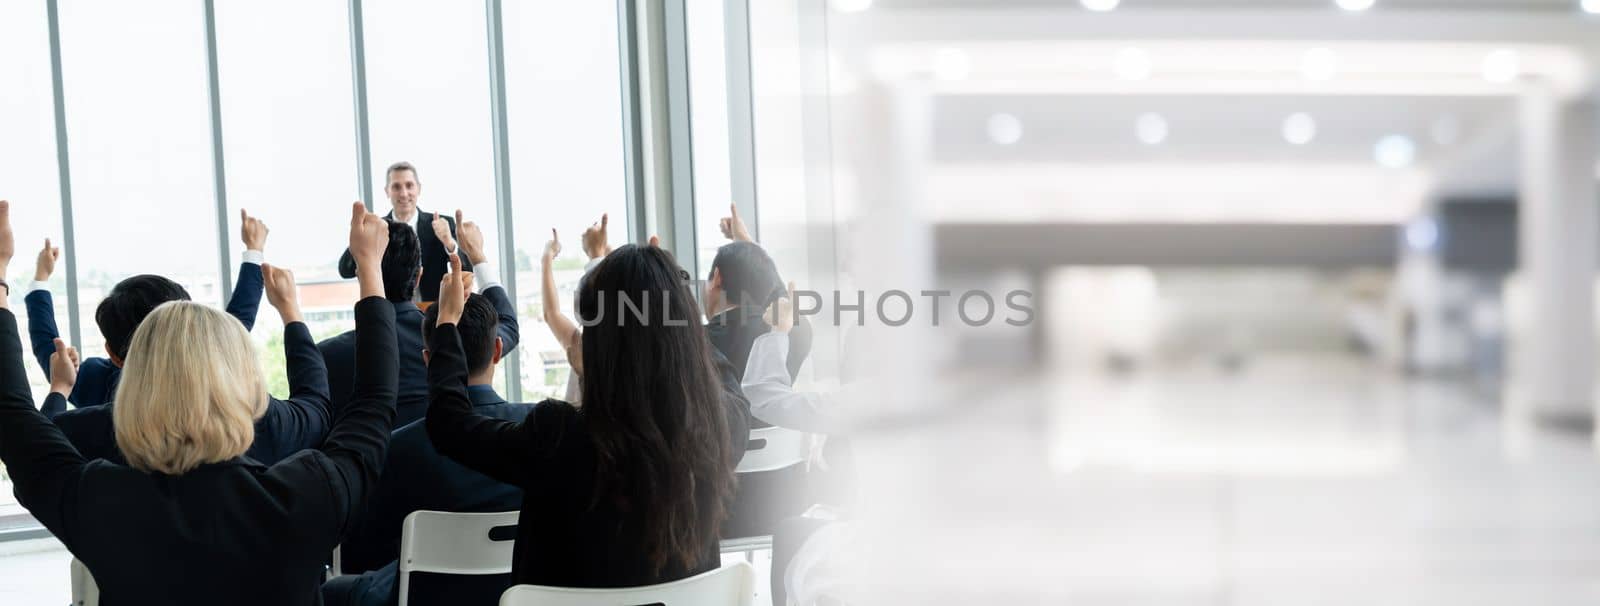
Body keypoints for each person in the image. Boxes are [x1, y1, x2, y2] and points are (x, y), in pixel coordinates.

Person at [0, 200, 399, 605]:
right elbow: (374, 402)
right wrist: (369, 268)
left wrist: (2, 273)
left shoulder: (99, 499)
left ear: (132, 375)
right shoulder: (310, 491)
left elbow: (14, 414)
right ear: (241, 378)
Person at [424, 243, 741, 588]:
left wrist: (447, 325)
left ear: (602, 344)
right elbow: (716, 376)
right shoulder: (720, 425)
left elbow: (449, 423)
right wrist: (671, 301)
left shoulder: (558, 438)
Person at [324, 293, 527, 606]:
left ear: (427, 359)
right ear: (498, 350)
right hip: (519, 592)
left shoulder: (399, 448)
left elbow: (362, 551)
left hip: (424, 596)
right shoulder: (540, 430)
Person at [44, 255, 334, 466]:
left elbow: (34, 451)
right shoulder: (261, 421)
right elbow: (317, 408)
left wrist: (60, 386)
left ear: (114, 354)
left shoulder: (106, 429)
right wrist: (290, 311)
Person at [25, 209, 269, 412]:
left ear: (113, 353)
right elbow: (239, 319)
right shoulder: (212, 369)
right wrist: (254, 250)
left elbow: (48, 347)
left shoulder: (98, 383)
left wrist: (41, 278)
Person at [320, 210, 516, 426]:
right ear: (418, 276)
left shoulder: (325, 357)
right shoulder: (455, 338)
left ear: (361, 275)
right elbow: (507, 325)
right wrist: (477, 254)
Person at [337, 162, 472, 303]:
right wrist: (360, 235)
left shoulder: (443, 223)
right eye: (396, 187)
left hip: (434, 313)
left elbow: (467, 269)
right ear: (387, 191)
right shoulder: (378, 228)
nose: (403, 193)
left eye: (409, 185)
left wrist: (449, 243)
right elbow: (345, 270)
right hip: (390, 314)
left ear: (418, 189)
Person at [706, 204, 812, 382]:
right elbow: (780, 300)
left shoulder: (695, 344)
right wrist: (747, 245)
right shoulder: (793, 333)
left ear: (717, 278)